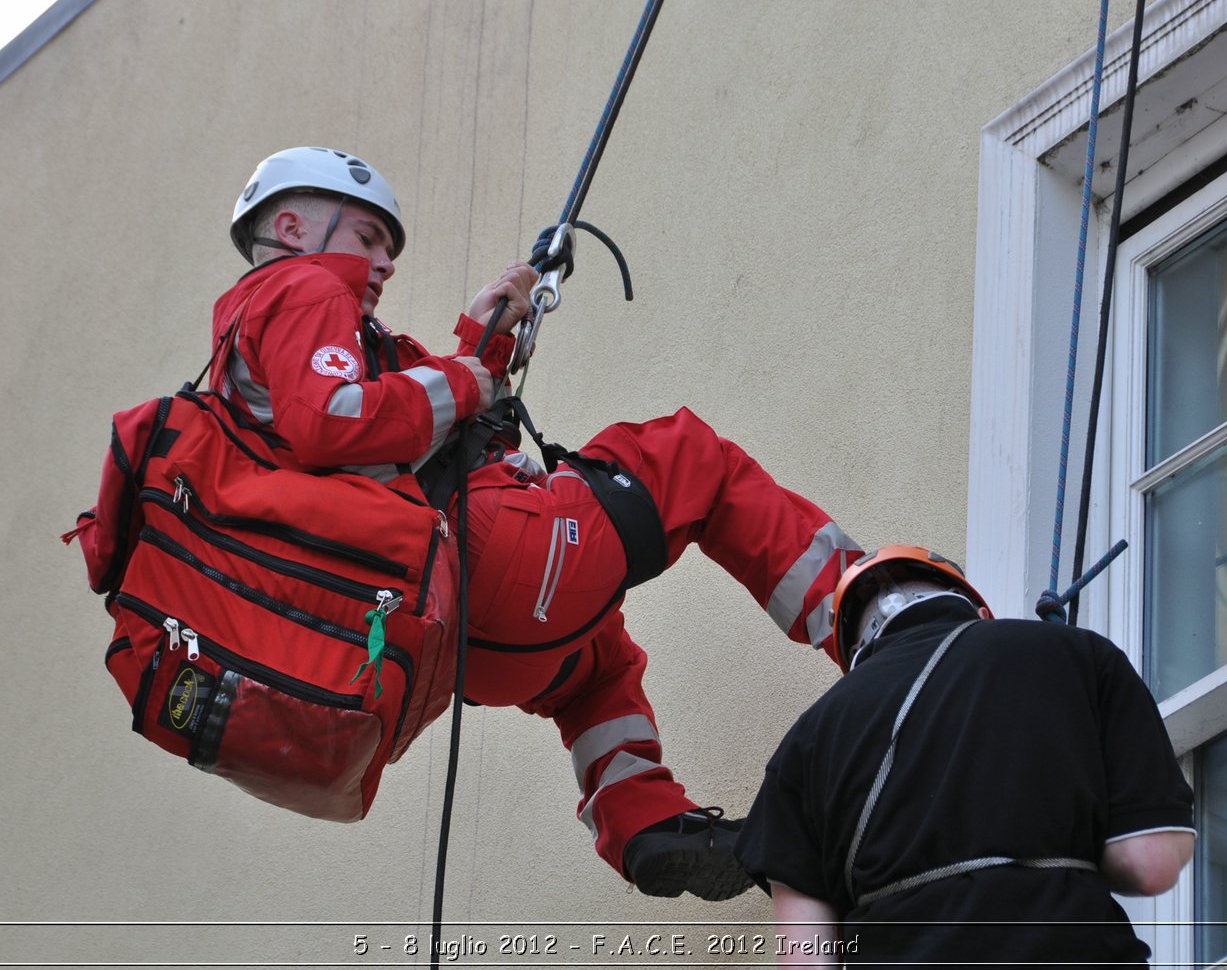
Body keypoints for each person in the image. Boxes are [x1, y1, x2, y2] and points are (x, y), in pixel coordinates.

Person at [208, 147, 865, 899]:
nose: (383, 262)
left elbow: (391, 437)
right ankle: (873, 613)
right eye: (367, 238)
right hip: (487, 556)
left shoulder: (242, 372)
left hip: (460, 641)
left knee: (597, 667)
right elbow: (339, 419)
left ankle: (645, 821)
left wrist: (479, 341)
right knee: (690, 460)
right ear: (291, 225)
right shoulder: (299, 287)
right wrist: (471, 370)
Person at [734, 545, 1195, 966]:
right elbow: (1149, 863)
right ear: (975, 610)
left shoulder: (805, 744)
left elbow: (806, 959)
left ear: (854, 653)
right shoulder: (1080, 656)